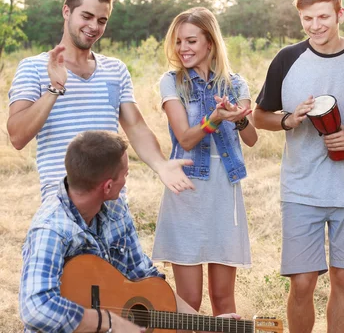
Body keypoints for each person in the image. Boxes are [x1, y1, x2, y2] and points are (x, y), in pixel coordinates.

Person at [19, 130, 239, 333]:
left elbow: (143, 276)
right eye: (125, 174)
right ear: (107, 186)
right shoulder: (51, 229)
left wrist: (209, 325)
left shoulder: (115, 208)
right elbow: (36, 309)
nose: (126, 180)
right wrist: (108, 322)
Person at [253, 0, 344, 333]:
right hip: (301, 188)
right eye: (307, 18)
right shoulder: (287, 59)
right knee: (302, 282)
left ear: (340, 14)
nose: (315, 25)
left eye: (323, 16)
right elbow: (260, 117)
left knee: (343, 280)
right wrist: (289, 120)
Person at [7, 0, 193, 202]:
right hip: (63, 203)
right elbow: (17, 137)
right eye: (86, 17)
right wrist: (54, 89)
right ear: (66, 11)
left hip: (113, 202)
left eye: (102, 20)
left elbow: (136, 127)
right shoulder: (33, 68)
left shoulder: (116, 69)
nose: (94, 26)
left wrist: (161, 165)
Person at [151, 7, 257, 315]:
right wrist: (213, 119)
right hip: (187, 189)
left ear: (210, 43)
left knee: (224, 298)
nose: (183, 48)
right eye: (179, 41)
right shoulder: (171, 82)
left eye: (191, 41)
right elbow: (185, 138)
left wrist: (238, 118)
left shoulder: (236, 84)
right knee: (190, 301)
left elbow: (251, 139)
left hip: (224, 191)